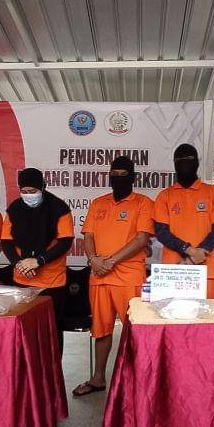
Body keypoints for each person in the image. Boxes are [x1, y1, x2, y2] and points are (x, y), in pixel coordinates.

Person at [73, 157, 153, 397]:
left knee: (135, 331)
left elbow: (141, 239)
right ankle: (98, 378)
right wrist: (93, 259)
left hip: (129, 277)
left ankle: (136, 381)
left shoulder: (143, 203)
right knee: (100, 330)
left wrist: (110, 261)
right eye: (114, 174)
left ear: (133, 177)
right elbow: (88, 236)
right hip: (99, 277)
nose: (118, 179)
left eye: (123, 175)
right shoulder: (98, 203)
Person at [1, 168, 74, 354]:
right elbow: (6, 241)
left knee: (52, 330)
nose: (28, 195)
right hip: (22, 280)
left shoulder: (59, 208)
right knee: (24, 330)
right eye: (24, 191)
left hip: (52, 282)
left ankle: (53, 368)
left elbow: (65, 242)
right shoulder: (14, 209)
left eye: (33, 191)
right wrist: (18, 264)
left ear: (43, 187)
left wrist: (39, 261)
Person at [153, 144, 214, 298]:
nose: (184, 163)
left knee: (209, 314)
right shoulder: (164, 196)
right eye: (180, 160)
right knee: (173, 314)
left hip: (206, 270)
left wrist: (201, 251)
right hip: (174, 270)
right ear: (174, 164)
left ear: (197, 162)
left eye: (189, 159)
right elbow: (161, 232)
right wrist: (189, 250)